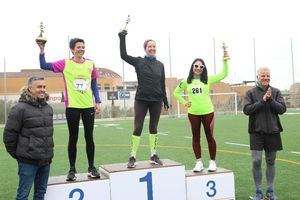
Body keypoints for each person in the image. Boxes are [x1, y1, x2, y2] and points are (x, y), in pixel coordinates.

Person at [37, 38, 101, 181]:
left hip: (88, 106)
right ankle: (72, 169)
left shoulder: (90, 64)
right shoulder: (65, 63)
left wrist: (98, 100)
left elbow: (94, 83)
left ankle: (91, 167)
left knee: (89, 137)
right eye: (78, 47)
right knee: (73, 138)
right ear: (72, 50)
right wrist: (42, 51)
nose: (81, 49)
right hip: (72, 107)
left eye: (83, 47)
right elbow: (44, 65)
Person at [118, 29, 169, 168]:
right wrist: (122, 38)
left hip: (157, 100)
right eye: (149, 47)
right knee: (138, 127)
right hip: (141, 99)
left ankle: (153, 154)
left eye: (154, 46)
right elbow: (123, 55)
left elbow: (162, 83)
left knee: (153, 127)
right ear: (145, 49)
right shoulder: (139, 62)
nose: (152, 48)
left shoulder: (160, 65)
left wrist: (165, 100)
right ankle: (132, 156)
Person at [173, 50, 229, 172]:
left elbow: (224, 74)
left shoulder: (207, 79)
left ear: (203, 68)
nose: (198, 68)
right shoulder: (186, 81)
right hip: (193, 113)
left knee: (210, 137)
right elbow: (176, 93)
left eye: (201, 66)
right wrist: (184, 103)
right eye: (196, 66)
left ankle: (212, 162)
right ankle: (198, 162)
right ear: (192, 67)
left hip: (208, 112)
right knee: (195, 137)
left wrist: (224, 61)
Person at [3, 76, 54, 200]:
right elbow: (9, 136)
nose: (42, 90)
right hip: (28, 162)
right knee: (23, 195)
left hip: (45, 161)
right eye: (39, 87)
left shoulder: (48, 108)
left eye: (44, 87)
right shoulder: (19, 108)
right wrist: (20, 155)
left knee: (40, 194)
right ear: (30, 89)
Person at [243, 67, 286, 200]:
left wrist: (270, 99)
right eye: (263, 75)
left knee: (271, 161)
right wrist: (262, 101)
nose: (266, 78)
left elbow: (282, 109)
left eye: (268, 76)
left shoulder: (276, 92)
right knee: (256, 161)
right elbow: (247, 110)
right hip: (256, 132)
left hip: (273, 132)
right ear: (257, 77)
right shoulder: (250, 92)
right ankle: (258, 191)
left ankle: (270, 191)